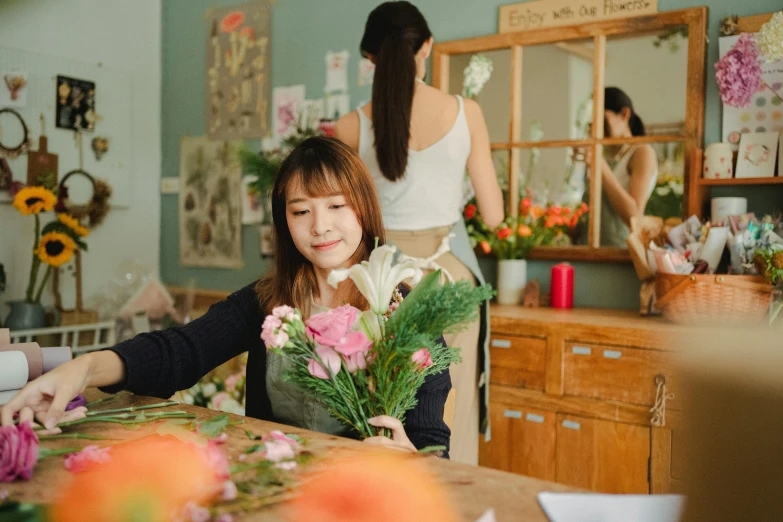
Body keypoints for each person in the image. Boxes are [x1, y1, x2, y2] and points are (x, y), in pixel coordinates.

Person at [1, 137, 452, 456]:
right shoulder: (268, 301)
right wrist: (81, 369)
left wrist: (411, 457)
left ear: (365, 210)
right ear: (284, 222)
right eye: (301, 210)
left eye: (336, 205)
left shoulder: (407, 311)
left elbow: (433, 446)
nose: (320, 226)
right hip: (275, 487)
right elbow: (179, 351)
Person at [335, 1, 503, 465]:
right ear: (426, 45)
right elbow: (494, 215)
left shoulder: (351, 126)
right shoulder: (467, 113)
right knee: (451, 405)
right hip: (449, 278)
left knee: (379, 402)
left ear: (371, 57)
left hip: (380, 283)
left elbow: (337, 221)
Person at [591, 86, 658, 247]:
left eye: (602, 119)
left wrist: (600, 166)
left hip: (617, 252)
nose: (596, 127)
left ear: (624, 114)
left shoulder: (642, 153)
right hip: (589, 249)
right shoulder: (607, 155)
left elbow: (634, 218)